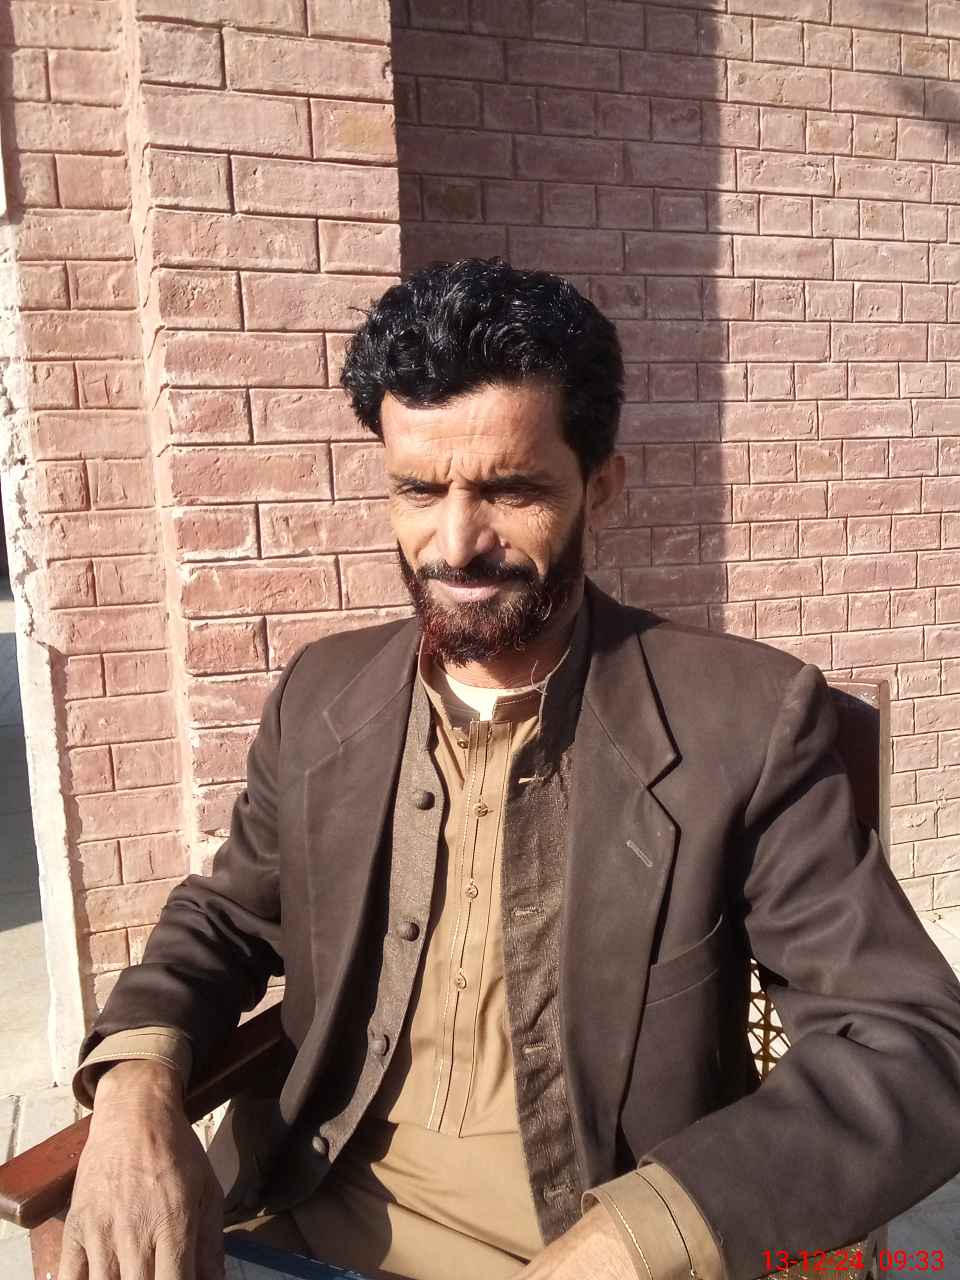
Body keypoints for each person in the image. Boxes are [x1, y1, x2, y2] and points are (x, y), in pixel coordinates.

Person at [61, 259, 960, 1280]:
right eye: (418, 489)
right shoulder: (323, 696)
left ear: (600, 485)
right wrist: (134, 1087)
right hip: (302, 1229)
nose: (456, 543)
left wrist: (640, 1236)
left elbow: (914, 1044)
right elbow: (225, 917)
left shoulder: (743, 722)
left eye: (511, 488)